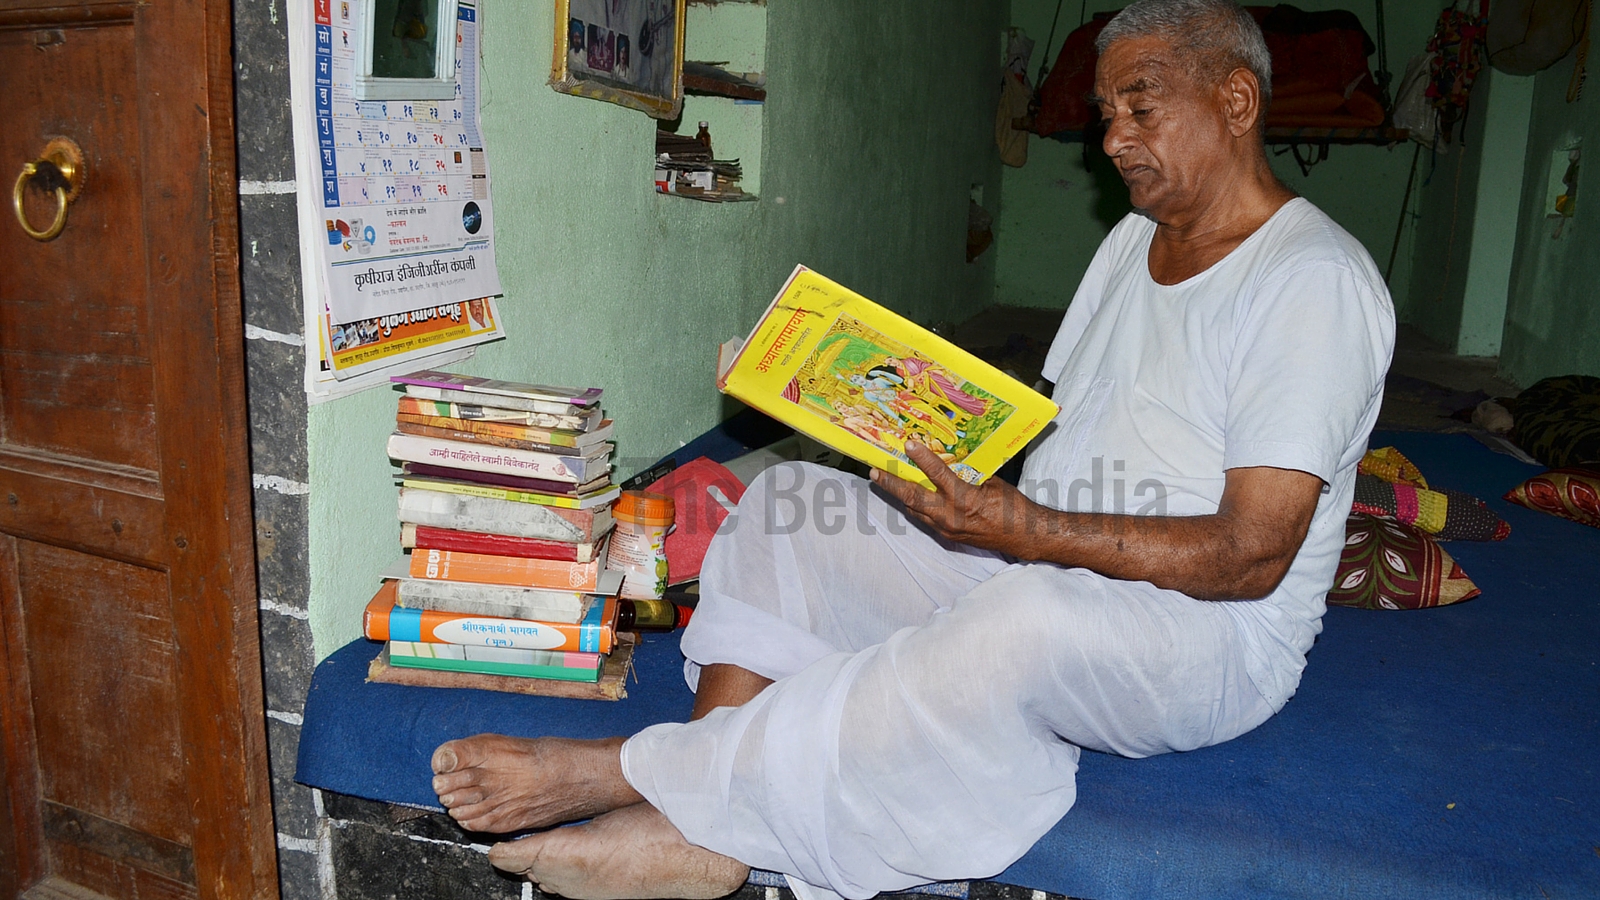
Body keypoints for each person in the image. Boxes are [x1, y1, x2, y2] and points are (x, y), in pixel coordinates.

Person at [427, 1, 1395, 898]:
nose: (1112, 140)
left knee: (1025, 617)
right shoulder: (1130, 242)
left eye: (1139, 108)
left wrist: (1019, 527)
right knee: (792, 502)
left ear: (1234, 100)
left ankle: (632, 772)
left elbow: (1250, 554)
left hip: (1203, 641)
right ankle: (708, 807)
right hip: (1042, 561)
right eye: (1105, 113)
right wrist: (920, 442)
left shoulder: (1311, 281)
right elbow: (1056, 431)